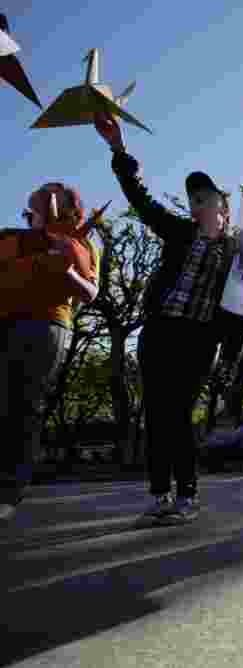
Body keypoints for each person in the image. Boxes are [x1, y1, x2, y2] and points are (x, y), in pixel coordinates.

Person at [95, 109, 241, 525]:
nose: (197, 204)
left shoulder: (237, 254)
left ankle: (187, 496)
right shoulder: (178, 231)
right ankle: (159, 496)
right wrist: (118, 147)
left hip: (198, 340)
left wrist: (230, 359)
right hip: (159, 332)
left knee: (178, 413)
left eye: (205, 197)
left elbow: (240, 312)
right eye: (193, 199)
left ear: (224, 208)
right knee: (157, 414)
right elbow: (139, 198)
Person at [1, 184, 100, 520]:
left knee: (24, 405)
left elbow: (90, 292)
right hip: (6, 322)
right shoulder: (12, 240)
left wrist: (69, 272)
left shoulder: (81, 246)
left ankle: (9, 490)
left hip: (44, 326)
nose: (29, 218)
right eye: (28, 213)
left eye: (33, 212)